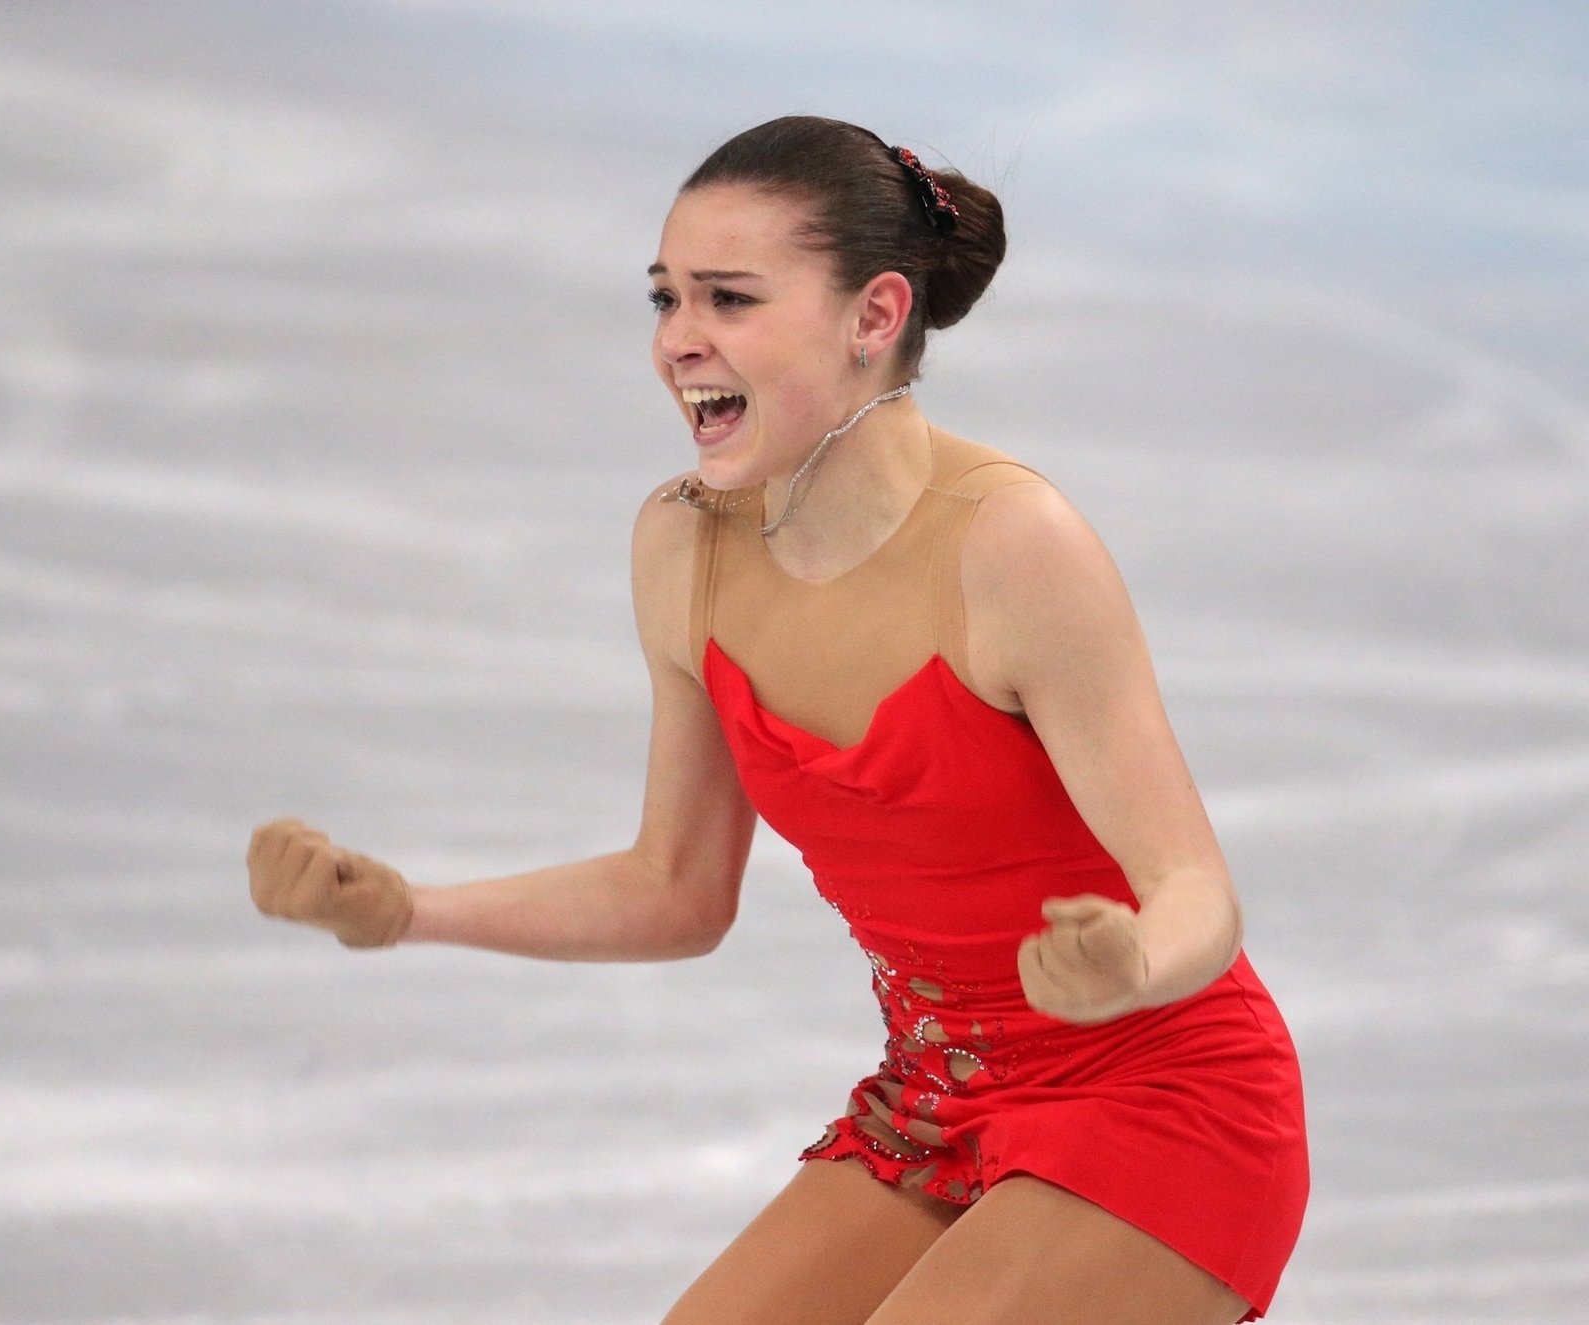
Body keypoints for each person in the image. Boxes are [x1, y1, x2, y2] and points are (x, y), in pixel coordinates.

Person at [246, 114, 1309, 1324]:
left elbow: (1195, 890)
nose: (678, 343)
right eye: (665, 298)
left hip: (1166, 1101)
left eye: (730, 299)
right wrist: (407, 909)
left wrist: (1133, 959)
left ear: (874, 315)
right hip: (935, 1104)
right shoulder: (683, 547)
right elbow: (677, 885)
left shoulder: (1012, 546)